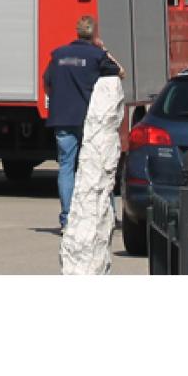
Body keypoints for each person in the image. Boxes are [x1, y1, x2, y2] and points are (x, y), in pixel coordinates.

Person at [43, 16, 125, 233]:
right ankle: (108, 215)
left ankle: (67, 219)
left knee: (66, 167)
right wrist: (105, 50)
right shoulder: (97, 56)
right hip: (89, 121)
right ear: (93, 34)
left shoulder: (58, 54)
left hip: (62, 119)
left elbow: (47, 84)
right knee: (98, 166)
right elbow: (120, 73)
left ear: (77, 32)